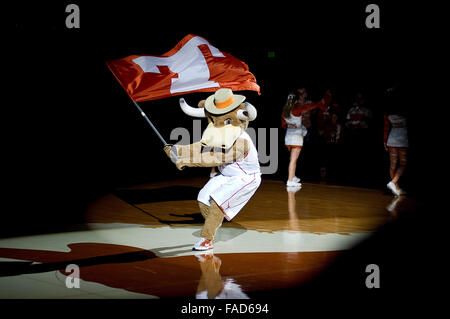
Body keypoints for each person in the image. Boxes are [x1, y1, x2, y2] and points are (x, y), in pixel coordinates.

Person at [281, 88, 327, 187]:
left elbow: (283, 124)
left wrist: (290, 125)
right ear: (295, 101)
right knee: (293, 160)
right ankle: (290, 180)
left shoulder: (284, 111)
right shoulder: (296, 108)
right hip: (296, 137)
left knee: (292, 159)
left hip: (288, 137)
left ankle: (292, 177)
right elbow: (309, 107)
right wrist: (319, 103)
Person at [383, 98, 408, 196]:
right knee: (403, 163)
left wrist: (385, 141)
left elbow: (386, 126)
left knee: (393, 165)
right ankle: (393, 183)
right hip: (402, 137)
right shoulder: (404, 111)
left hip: (392, 137)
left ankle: (397, 188)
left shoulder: (388, 113)